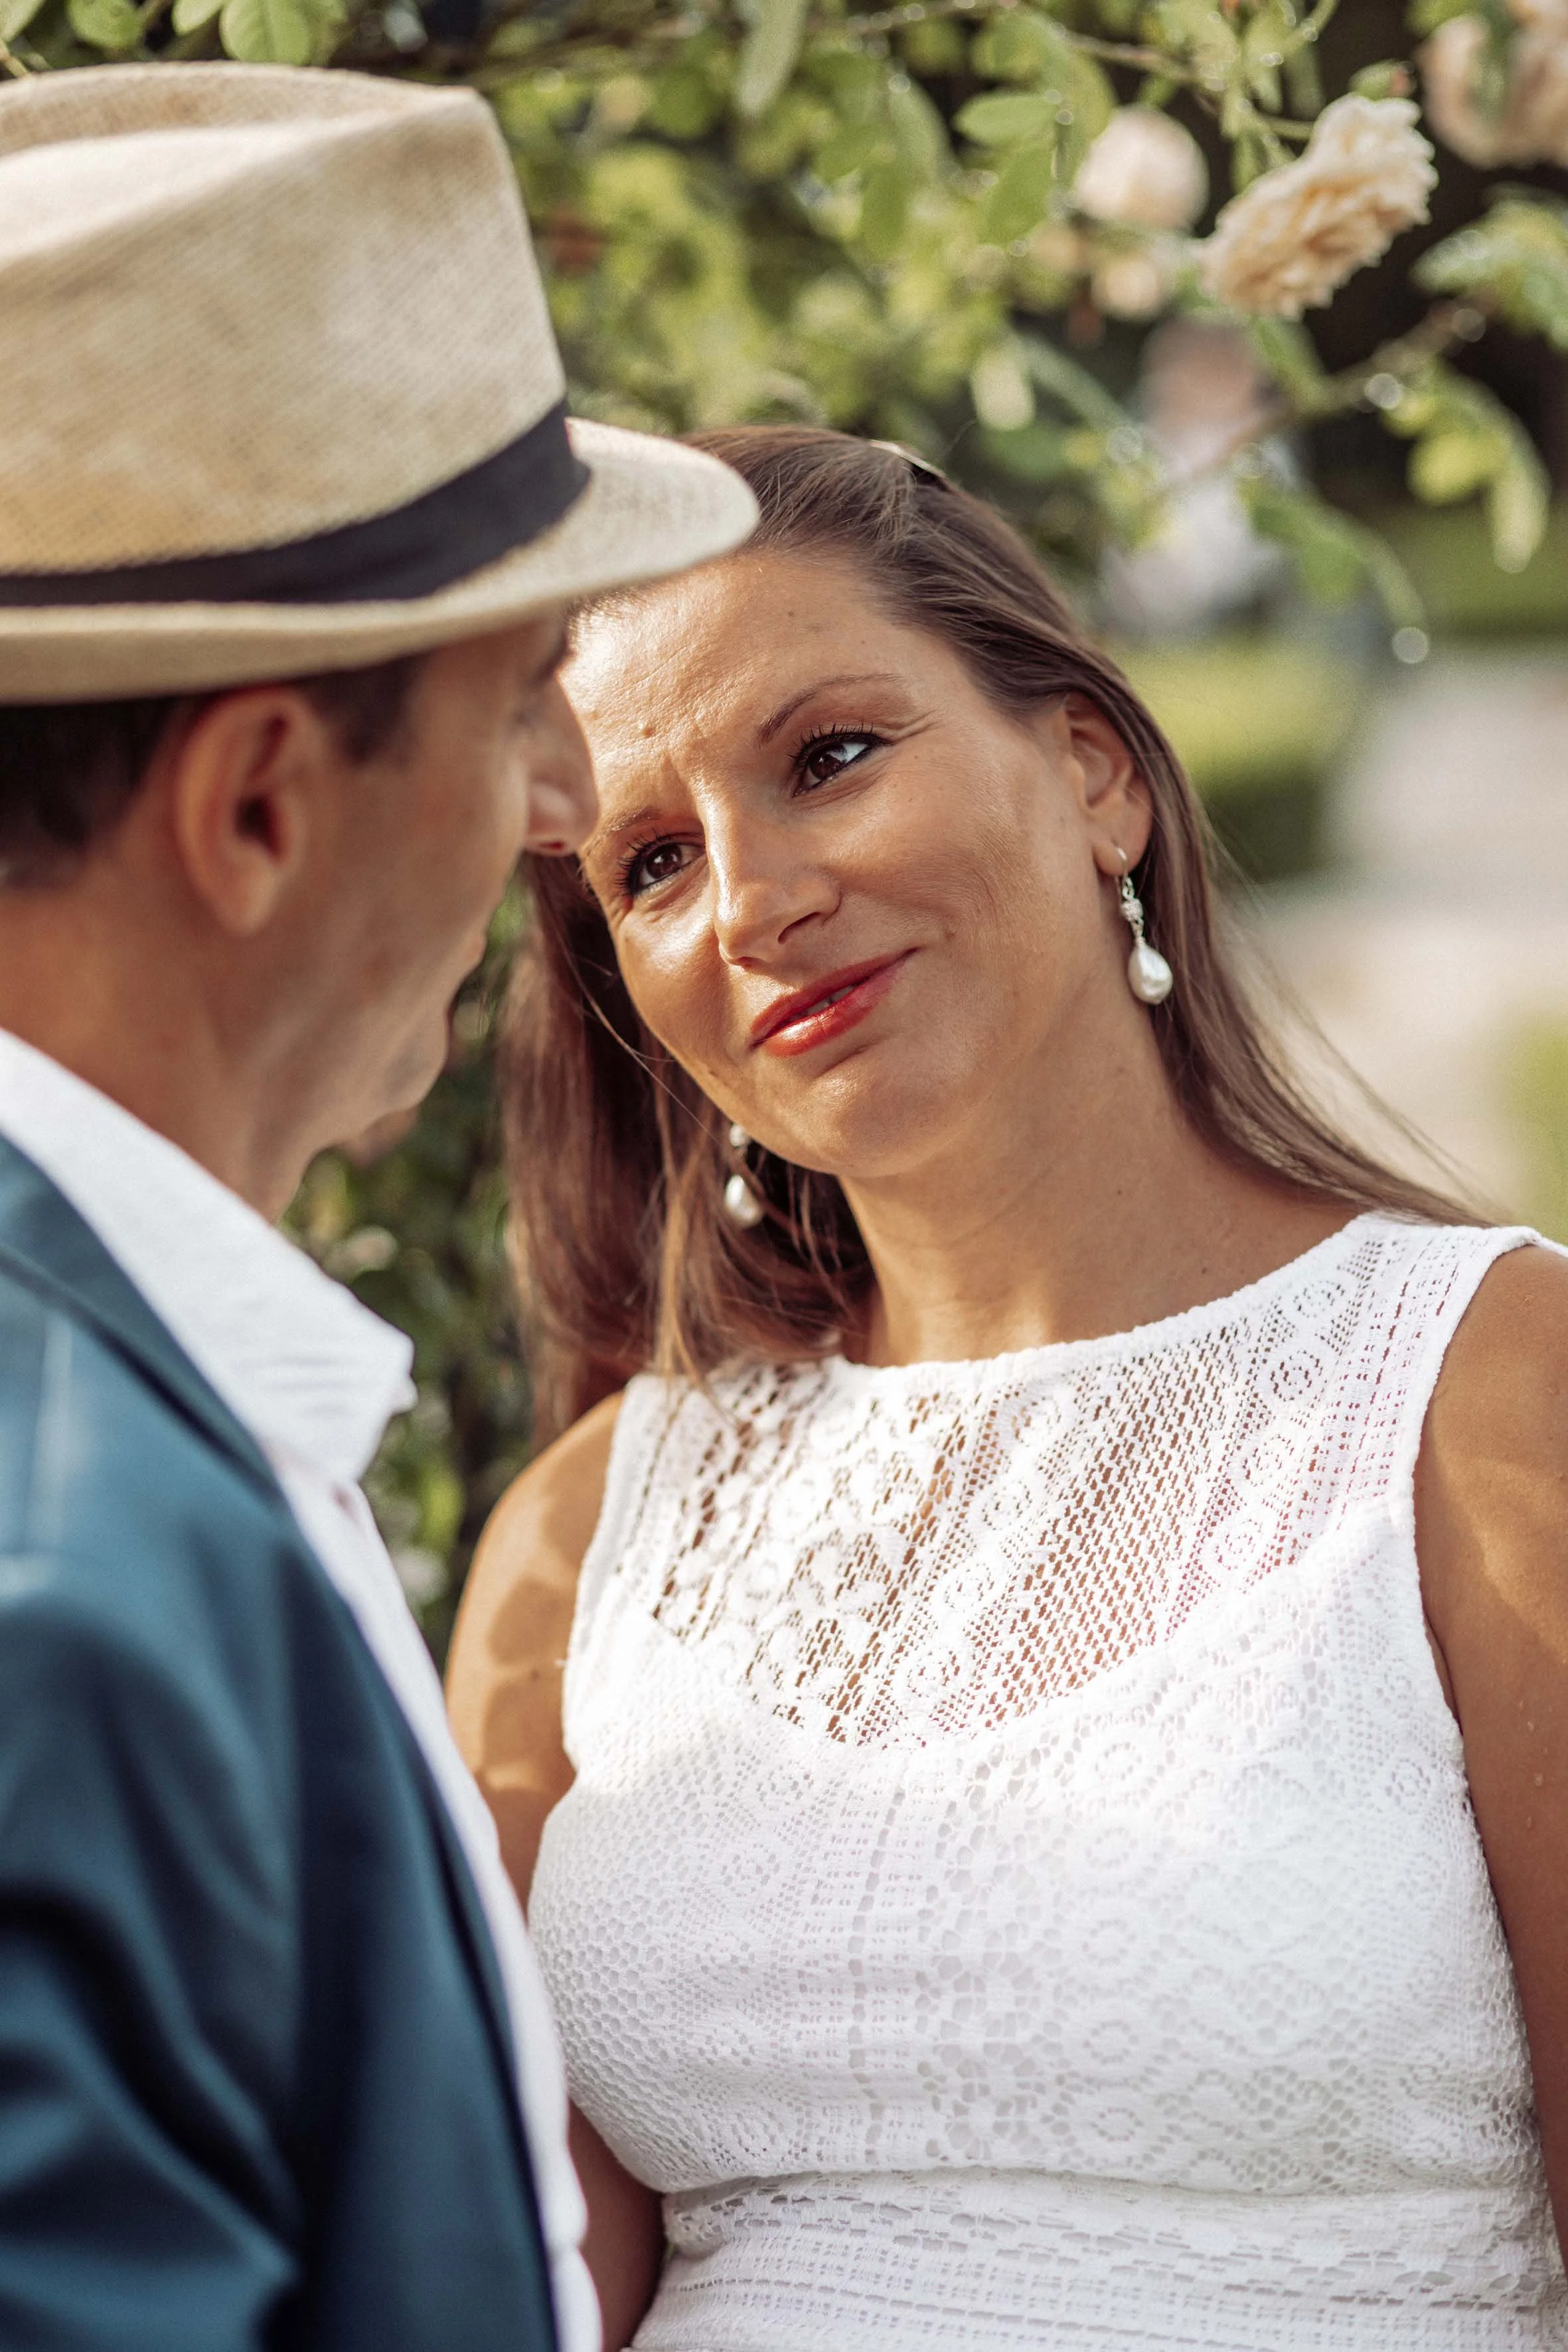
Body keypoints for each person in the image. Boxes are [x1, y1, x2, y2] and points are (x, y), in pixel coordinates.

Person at [449, 426, 1568, 2351]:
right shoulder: (585, 1530)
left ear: (1094, 773)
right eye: (651, 861)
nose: (755, 899)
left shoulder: (1490, 1390)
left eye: (829, 755)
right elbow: (519, 2287)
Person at [0, 63, 754, 2352]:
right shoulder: (69, 1597)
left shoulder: (140, 1415)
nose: (558, 803)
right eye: (522, 695)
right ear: (254, 808)